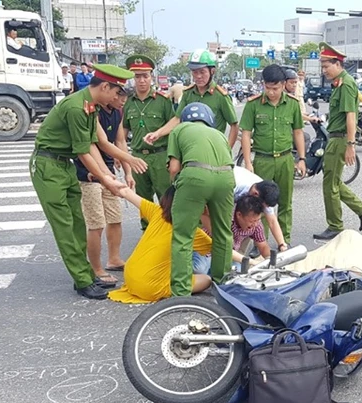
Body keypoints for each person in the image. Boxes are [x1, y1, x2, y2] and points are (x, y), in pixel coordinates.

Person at [30, 63, 136, 299]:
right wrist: (105, 180)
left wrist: (107, 177)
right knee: (65, 227)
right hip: (49, 166)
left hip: (63, 165)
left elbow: (91, 147)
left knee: (78, 224)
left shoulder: (90, 107)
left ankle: (87, 275)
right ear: (106, 87)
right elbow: (83, 153)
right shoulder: (77, 108)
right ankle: (83, 280)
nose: (118, 98)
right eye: (117, 93)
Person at [167, 102, 235, 296]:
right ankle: (223, 284)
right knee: (223, 232)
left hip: (195, 176)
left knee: (183, 236)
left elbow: (174, 168)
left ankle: (181, 292)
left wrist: (177, 187)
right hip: (226, 178)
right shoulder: (220, 135)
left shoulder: (179, 129)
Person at [108, 185, 213, 303]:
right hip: (149, 287)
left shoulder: (156, 212)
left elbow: (126, 192)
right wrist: (205, 215)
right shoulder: (191, 230)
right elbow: (221, 249)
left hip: (130, 277)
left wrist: (104, 176)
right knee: (206, 279)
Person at [313, 42, 362, 241]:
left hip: (340, 140)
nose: (324, 71)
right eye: (322, 67)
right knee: (334, 182)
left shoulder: (346, 84)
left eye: (326, 66)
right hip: (335, 138)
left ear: (337, 64)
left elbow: (351, 116)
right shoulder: (340, 83)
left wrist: (350, 145)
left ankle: (335, 226)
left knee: (329, 184)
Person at [239, 64, 304, 246]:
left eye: (275, 88)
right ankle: (261, 242)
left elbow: (297, 132)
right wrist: (248, 162)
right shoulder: (253, 105)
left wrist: (302, 159)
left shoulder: (292, 104)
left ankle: (285, 241)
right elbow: (246, 133)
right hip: (262, 159)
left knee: (285, 201)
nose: (271, 92)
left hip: (285, 159)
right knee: (259, 203)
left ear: (283, 85)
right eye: (267, 88)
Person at [74, 84, 131, 287]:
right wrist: (104, 174)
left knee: (115, 218)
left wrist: (128, 171)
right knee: (96, 224)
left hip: (108, 171)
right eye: (119, 95)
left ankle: (114, 258)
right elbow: (98, 144)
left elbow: (120, 141)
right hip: (89, 174)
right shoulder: (92, 110)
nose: (122, 100)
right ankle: (96, 268)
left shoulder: (118, 112)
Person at [143, 49, 239, 149]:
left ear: (212, 71)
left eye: (202, 72)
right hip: (190, 148)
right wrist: (157, 134)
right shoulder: (188, 94)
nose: (198, 76)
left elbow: (234, 125)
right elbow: (177, 119)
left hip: (213, 149)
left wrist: (226, 150)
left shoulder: (220, 96)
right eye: (194, 72)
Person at [121, 54, 175, 229]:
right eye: (137, 76)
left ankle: (168, 234)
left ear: (152, 77)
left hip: (159, 156)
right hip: (137, 157)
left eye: (145, 76)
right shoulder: (128, 103)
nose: (142, 81)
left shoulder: (163, 101)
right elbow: (122, 132)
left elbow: (174, 126)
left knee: (166, 199)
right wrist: (121, 155)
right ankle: (147, 233)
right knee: (143, 202)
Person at [231, 194, 271, 261]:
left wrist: (270, 261)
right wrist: (253, 263)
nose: (255, 224)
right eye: (252, 221)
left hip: (236, 252)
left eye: (257, 220)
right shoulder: (226, 220)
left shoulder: (256, 224)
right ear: (239, 215)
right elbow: (225, 249)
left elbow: (263, 246)